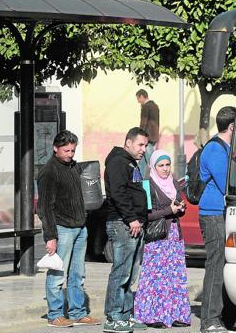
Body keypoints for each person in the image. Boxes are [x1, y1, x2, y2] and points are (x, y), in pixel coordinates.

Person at [37, 130, 101, 328]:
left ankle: (77, 312)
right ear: (55, 148)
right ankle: (54, 315)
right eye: (66, 150)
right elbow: (44, 207)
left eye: (73, 150)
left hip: (80, 227)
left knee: (77, 274)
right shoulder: (48, 172)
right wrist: (50, 236)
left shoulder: (73, 166)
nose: (70, 154)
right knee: (57, 274)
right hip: (62, 229)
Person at [199, 106, 236, 333]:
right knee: (216, 266)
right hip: (212, 214)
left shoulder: (225, 148)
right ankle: (209, 320)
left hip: (223, 213)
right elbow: (227, 184)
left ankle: (230, 315)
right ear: (233, 126)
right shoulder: (215, 150)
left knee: (227, 265)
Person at [134, 150, 191, 328]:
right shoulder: (147, 185)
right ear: (153, 166)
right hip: (157, 238)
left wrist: (180, 208)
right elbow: (145, 214)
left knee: (174, 276)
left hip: (174, 236)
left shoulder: (174, 182)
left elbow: (177, 206)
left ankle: (175, 314)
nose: (165, 169)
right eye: (161, 165)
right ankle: (151, 316)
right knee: (155, 278)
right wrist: (169, 211)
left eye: (167, 165)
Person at [103, 127, 150, 333]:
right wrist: (131, 218)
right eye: (140, 145)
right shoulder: (117, 162)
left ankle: (125, 314)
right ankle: (113, 317)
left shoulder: (131, 163)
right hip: (122, 224)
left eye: (146, 146)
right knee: (121, 272)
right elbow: (117, 193)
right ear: (128, 142)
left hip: (135, 223)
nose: (143, 149)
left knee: (131, 274)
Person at [136, 89, 159, 177]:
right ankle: (139, 182)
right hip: (153, 137)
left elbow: (143, 123)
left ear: (142, 96)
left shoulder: (146, 107)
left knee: (151, 163)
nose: (138, 101)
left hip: (147, 139)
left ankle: (158, 182)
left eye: (138, 99)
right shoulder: (155, 106)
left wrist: (139, 136)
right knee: (142, 163)